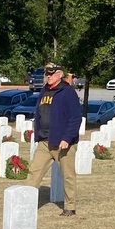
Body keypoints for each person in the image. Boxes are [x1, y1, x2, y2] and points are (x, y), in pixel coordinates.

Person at [27, 63, 81, 216]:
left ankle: (70, 207)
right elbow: (40, 112)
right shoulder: (44, 91)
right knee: (34, 172)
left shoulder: (68, 92)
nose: (48, 76)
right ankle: (25, 203)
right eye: (47, 74)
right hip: (45, 141)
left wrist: (67, 138)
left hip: (63, 143)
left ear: (60, 74)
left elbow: (75, 118)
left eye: (52, 73)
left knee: (68, 175)